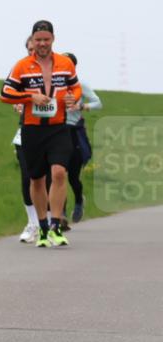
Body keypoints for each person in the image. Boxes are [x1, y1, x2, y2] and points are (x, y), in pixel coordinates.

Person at [0, 20, 82, 247]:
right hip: (32, 129)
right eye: (38, 40)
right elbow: (5, 93)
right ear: (32, 41)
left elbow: (75, 87)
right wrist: (30, 97)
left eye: (46, 39)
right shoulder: (22, 66)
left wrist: (73, 98)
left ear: (53, 39)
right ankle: (42, 226)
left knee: (59, 173)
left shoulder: (65, 63)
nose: (42, 44)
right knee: (36, 179)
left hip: (58, 127)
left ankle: (56, 225)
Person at [60, 52, 102, 223]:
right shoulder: (53, 84)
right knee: (58, 174)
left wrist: (82, 106)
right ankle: (60, 214)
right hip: (57, 131)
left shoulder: (80, 84)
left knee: (72, 177)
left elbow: (98, 103)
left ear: (73, 67)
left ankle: (79, 201)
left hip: (74, 132)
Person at [14, 36, 41, 243]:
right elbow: (11, 93)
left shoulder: (57, 70)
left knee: (47, 179)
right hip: (26, 131)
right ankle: (33, 223)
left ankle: (49, 224)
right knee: (27, 178)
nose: (33, 53)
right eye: (29, 49)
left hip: (52, 132)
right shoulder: (22, 71)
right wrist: (17, 103)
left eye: (36, 48)